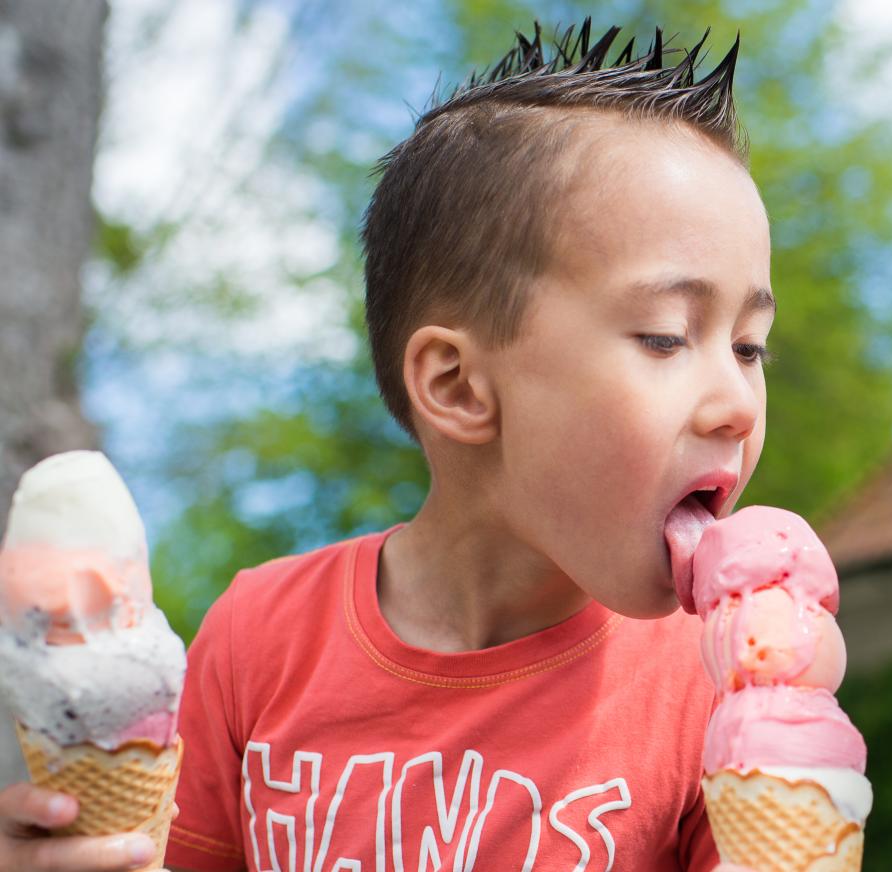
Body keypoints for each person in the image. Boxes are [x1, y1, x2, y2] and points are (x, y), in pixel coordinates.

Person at [0, 21, 771, 872]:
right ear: (457, 386)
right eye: (667, 336)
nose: (737, 401)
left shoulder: (722, 691)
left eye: (748, 346)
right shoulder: (260, 639)